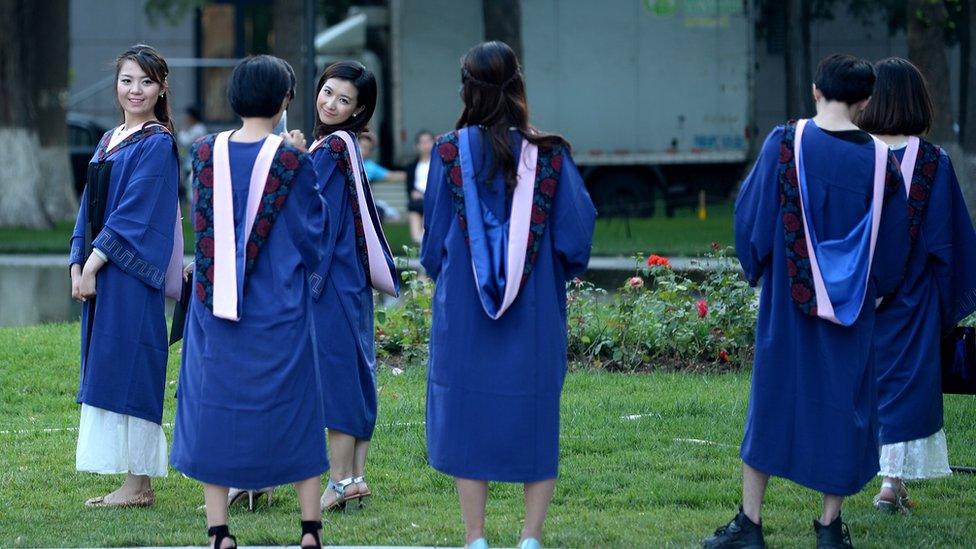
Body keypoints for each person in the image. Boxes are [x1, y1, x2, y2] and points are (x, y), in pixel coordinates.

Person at [704, 54, 909, 548]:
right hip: (852, 309)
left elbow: (753, 217)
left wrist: (757, 263)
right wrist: (876, 289)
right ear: (865, 102)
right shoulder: (883, 163)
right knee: (844, 406)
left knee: (773, 401)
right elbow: (895, 244)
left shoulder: (785, 143)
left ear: (815, 90)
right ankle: (829, 527)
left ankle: (749, 524)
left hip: (787, 304)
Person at [421, 41, 596, 549]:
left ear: (468, 91)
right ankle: (530, 537)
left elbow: (433, 243)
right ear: (518, 85)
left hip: (466, 310)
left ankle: (476, 537)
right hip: (534, 310)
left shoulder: (449, 152)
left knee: (469, 414)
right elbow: (575, 239)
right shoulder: (549, 154)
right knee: (534, 413)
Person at [169, 55, 328, 549]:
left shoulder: (203, 152)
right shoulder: (291, 161)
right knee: (295, 405)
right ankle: (309, 529)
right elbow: (313, 236)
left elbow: (206, 226)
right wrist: (298, 155)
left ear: (234, 97)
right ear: (285, 101)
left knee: (213, 407)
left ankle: (219, 531)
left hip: (216, 305)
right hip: (276, 304)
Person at [856, 57, 976, 513]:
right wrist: (947, 310)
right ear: (917, 101)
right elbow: (949, 245)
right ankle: (891, 483)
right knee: (905, 389)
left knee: (862, 386)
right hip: (913, 299)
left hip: (856, 297)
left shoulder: (851, 153)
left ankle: (850, 477)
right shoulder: (933, 162)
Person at [69, 44, 182, 509]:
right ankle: (131, 484)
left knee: (135, 367)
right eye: (127, 80)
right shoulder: (110, 138)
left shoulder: (157, 144)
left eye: (146, 82)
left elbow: (134, 216)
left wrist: (93, 263)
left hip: (128, 274)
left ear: (161, 89)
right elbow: (88, 208)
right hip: (100, 269)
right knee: (110, 367)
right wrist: (77, 260)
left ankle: (139, 486)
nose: (135, 91)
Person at [305, 60, 399, 513]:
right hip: (353, 280)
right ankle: (355, 477)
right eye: (328, 92)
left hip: (332, 281)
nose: (331, 103)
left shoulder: (328, 151)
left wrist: (289, 161)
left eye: (344, 100)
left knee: (339, 377)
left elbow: (307, 213)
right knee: (358, 374)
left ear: (360, 108)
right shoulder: (346, 145)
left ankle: (340, 480)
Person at [405, 130, 434, 243]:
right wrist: (414, 193)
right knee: (414, 207)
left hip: (433, 200)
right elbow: (409, 188)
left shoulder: (439, 165)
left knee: (429, 205)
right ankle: (418, 239)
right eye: (422, 142)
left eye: (428, 141)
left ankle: (424, 238)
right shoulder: (412, 166)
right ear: (417, 146)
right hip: (417, 202)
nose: (425, 145)